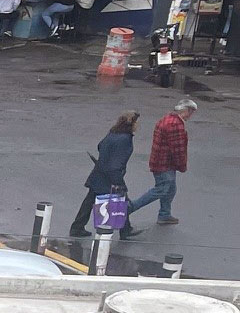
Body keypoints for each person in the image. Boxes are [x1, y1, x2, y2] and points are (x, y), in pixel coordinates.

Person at [127, 98, 196, 230]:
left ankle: (164, 214)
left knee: (170, 189)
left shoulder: (168, 119)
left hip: (160, 161)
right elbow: (178, 149)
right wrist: (182, 166)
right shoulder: (175, 125)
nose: (191, 115)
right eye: (191, 112)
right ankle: (130, 208)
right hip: (165, 164)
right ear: (186, 111)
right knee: (161, 189)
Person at [70, 111, 137, 238]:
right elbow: (117, 162)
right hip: (111, 175)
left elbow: (100, 146)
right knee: (122, 199)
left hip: (99, 172)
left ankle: (77, 227)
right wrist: (118, 180)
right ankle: (125, 231)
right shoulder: (125, 139)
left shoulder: (113, 133)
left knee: (89, 200)